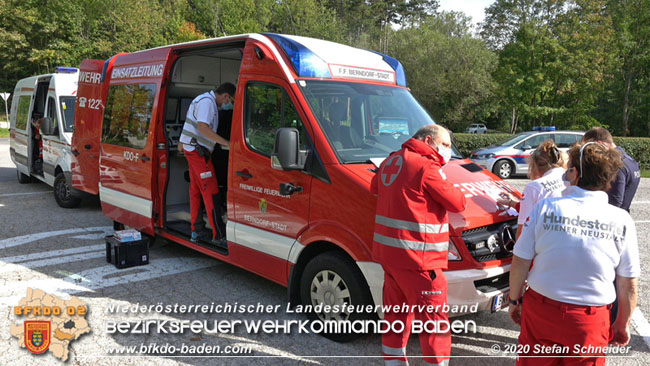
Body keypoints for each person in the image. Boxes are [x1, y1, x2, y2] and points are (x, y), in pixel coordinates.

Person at [509, 141, 639, 365]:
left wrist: (514, 299)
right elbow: (628, 283)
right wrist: (622, 322)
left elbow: (520, 260)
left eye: (569, 167)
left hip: (542, 311)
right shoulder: (621, 219)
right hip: (589, 320)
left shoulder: (546, 208)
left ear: (575, 173)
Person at [371, 124, 466, 366]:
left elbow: (375, 188)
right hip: (419, 262)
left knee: (395, 317)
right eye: (444, 145)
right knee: (434, 323)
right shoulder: (427, 166)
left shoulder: (391, 161)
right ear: (427, 140)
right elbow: (457, 202)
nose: (447, 151)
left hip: (391, 259)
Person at [179, 83, 235, 245]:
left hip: (194, 150)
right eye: (231, 100)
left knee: (195, 191)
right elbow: (203, 128)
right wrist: (225, 142)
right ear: (226, 96)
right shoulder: (207, 102)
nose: (229, 103)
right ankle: (219, 234)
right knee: (211, 191)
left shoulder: (204, 100)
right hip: (198, 152)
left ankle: (197, 230)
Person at [499, 140, 567, 239]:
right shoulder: (568, 177)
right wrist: (512, 203)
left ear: (534, 165)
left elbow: (522, 230)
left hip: (549, 243)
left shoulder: (534, 186)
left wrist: (516, 252)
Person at [581, 127, 640, 212]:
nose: (591, 153)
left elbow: (615, 202)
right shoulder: (630, 161)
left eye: (591, 147)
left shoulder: (616, 164)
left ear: (599, 143)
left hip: (613, 218)